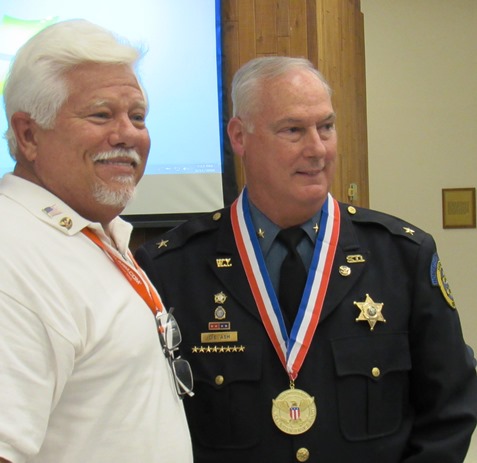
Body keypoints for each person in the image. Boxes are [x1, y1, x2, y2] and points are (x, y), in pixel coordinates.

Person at [135, 56, 477, 462]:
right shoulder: (171, 268)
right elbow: (148, 423)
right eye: (293, 130)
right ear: (239, 136)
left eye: (326, 127)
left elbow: (452, 408)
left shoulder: (402, 257)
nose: (318, 149)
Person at [0, 19, 193, 463]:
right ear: (28, 134)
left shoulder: (92, 233)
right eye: (101, 114)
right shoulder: (14, 256)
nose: (128, 134)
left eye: (138, 117)